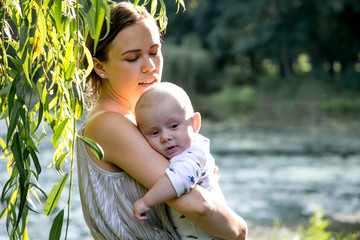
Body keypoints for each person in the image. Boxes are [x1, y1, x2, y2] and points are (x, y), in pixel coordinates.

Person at [75, 1, 247, 240]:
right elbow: (198, 206)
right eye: (133, 58)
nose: (150, 67)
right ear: (100, 66)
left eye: (154, 52)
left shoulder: (136, 121)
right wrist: (240, 230)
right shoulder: (108, 125)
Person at [133, 82, 228, 239]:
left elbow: (178, 179)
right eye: (154, 132)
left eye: (174, 126)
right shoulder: (177, 153)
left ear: (194, 123)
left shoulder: (194, 154)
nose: (165, 137)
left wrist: (146, 202)